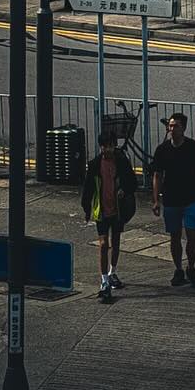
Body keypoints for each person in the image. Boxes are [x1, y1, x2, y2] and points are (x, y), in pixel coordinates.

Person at [151, 110, 195, 289]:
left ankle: (191, 266)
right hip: (171, 199)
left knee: (192, 236)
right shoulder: (162, 150)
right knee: (175, 236)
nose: (172, 129)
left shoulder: (194, 147)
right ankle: (178, 269)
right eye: (170, 126)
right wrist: (156, 199)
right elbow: (157, 175)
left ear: (183, 128)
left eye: (175, 126)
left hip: (191, 198)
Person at [81, 128, 137, 303]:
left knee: (117, 241)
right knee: (104, 244)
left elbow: (132, 183)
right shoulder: (95, 164)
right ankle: (104, 280)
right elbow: (88, 187)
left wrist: (124, 190)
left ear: (115, 146)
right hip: (102, 210)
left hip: (118, 209)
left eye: (110, 146)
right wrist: (86, 208)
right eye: (104, 147)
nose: (107, 150)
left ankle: (113, 272)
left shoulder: (122, 162)